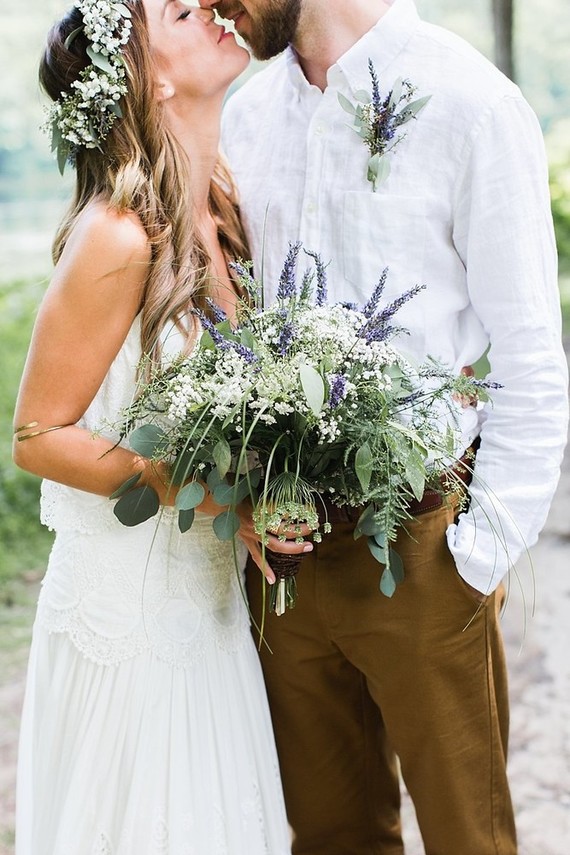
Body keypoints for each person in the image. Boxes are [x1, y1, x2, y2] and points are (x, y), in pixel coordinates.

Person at [198, 1, 570, 853]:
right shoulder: (247, 115)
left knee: (467, 837)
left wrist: (475, 556)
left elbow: (530, 353)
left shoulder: (470, 102)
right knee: (330, 835)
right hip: (282, 559)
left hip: (423, 545)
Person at [12, 1, 304, 851]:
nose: (213, 6)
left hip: (208, 611)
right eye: (180, 10)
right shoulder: (117, 235)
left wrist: (247, 503)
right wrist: (173, 480)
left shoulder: (224, 208)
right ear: (153, 77)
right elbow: (35, 434)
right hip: (130, 623)